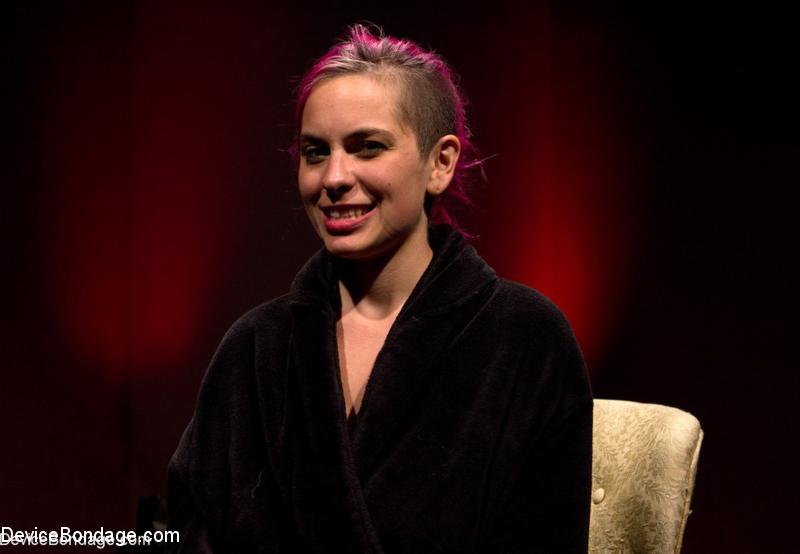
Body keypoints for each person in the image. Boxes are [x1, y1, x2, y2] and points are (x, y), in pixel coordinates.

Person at [168, 24, 592, 553]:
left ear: (440, 163)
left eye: (367, 147)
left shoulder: (526, 339)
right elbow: (186, 529)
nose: (333, 178)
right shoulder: (255, 347)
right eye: (315, 152)